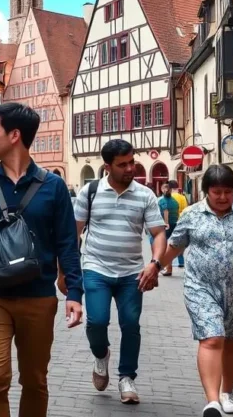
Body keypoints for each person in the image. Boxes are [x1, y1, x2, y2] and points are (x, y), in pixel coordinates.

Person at [0, 103, 84, 417]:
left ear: (15, 135)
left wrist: (74, 293)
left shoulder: (53, 187)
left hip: (38, 297)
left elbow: (67, 243)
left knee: (35, 380)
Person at [157, 164, 233, 417]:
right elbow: (175, 246)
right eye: (216, 192)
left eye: (227, 192)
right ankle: (212, 401)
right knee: (212, 337)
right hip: (200, 286)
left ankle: (227, 391)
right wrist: (155, 267)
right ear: (206, 191)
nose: (222, 197)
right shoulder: (191, 214)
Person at [73, 139, 166, 404]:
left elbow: (158, 233)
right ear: (107, 166)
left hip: (132, 273)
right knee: (97, 321)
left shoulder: (145, 194)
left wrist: (155, 263)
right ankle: (101, 354)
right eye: (122, 164)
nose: (130, 168)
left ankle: (127, 378)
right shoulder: (89, 192)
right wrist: (65, 272)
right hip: (95, 268)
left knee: (131, 325)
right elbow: (74, 233)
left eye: (132, 162)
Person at [158, 184, 181, 276]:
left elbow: (165, 211)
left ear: (163, 190)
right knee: (170, 245)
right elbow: (177, 211)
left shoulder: (163, 200)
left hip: (166, 225)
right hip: (175, 223)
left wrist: (166, 223)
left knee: (163, 246)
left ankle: (166, 267)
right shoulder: (175, 201)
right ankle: (169, 267)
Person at [168, 180, 188, 268]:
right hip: (181, 221)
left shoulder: (169, 197)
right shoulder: (182, 197)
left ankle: (169, 264)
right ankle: (181, 261)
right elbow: (186, 210)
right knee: (180, 242)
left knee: (170, 243)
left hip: (170, 221)